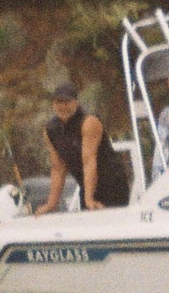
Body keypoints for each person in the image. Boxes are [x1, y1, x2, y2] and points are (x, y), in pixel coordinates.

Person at [37, 82, 131, 213]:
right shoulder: (50, 130)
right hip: (86, 186)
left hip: (112, 184)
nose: (63, 106)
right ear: (53, 103)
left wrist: (89, 199)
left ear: (75, 102)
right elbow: (58, 168)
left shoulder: (89, 122)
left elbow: (89, 162)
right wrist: (51, 204)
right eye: (59, 102)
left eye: (67, 102)